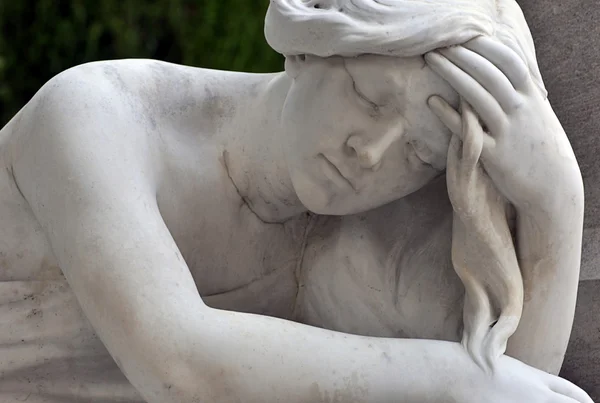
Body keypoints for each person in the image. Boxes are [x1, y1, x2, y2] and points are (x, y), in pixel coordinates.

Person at [0, 0, 590, 402]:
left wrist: (555, 205)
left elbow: (518, 390)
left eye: (419, 153)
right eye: (371, 97)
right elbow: (178, 366)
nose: (372, 153)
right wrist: (453, 380)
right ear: (311, 47)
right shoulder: (99, 115)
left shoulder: (351, 250)